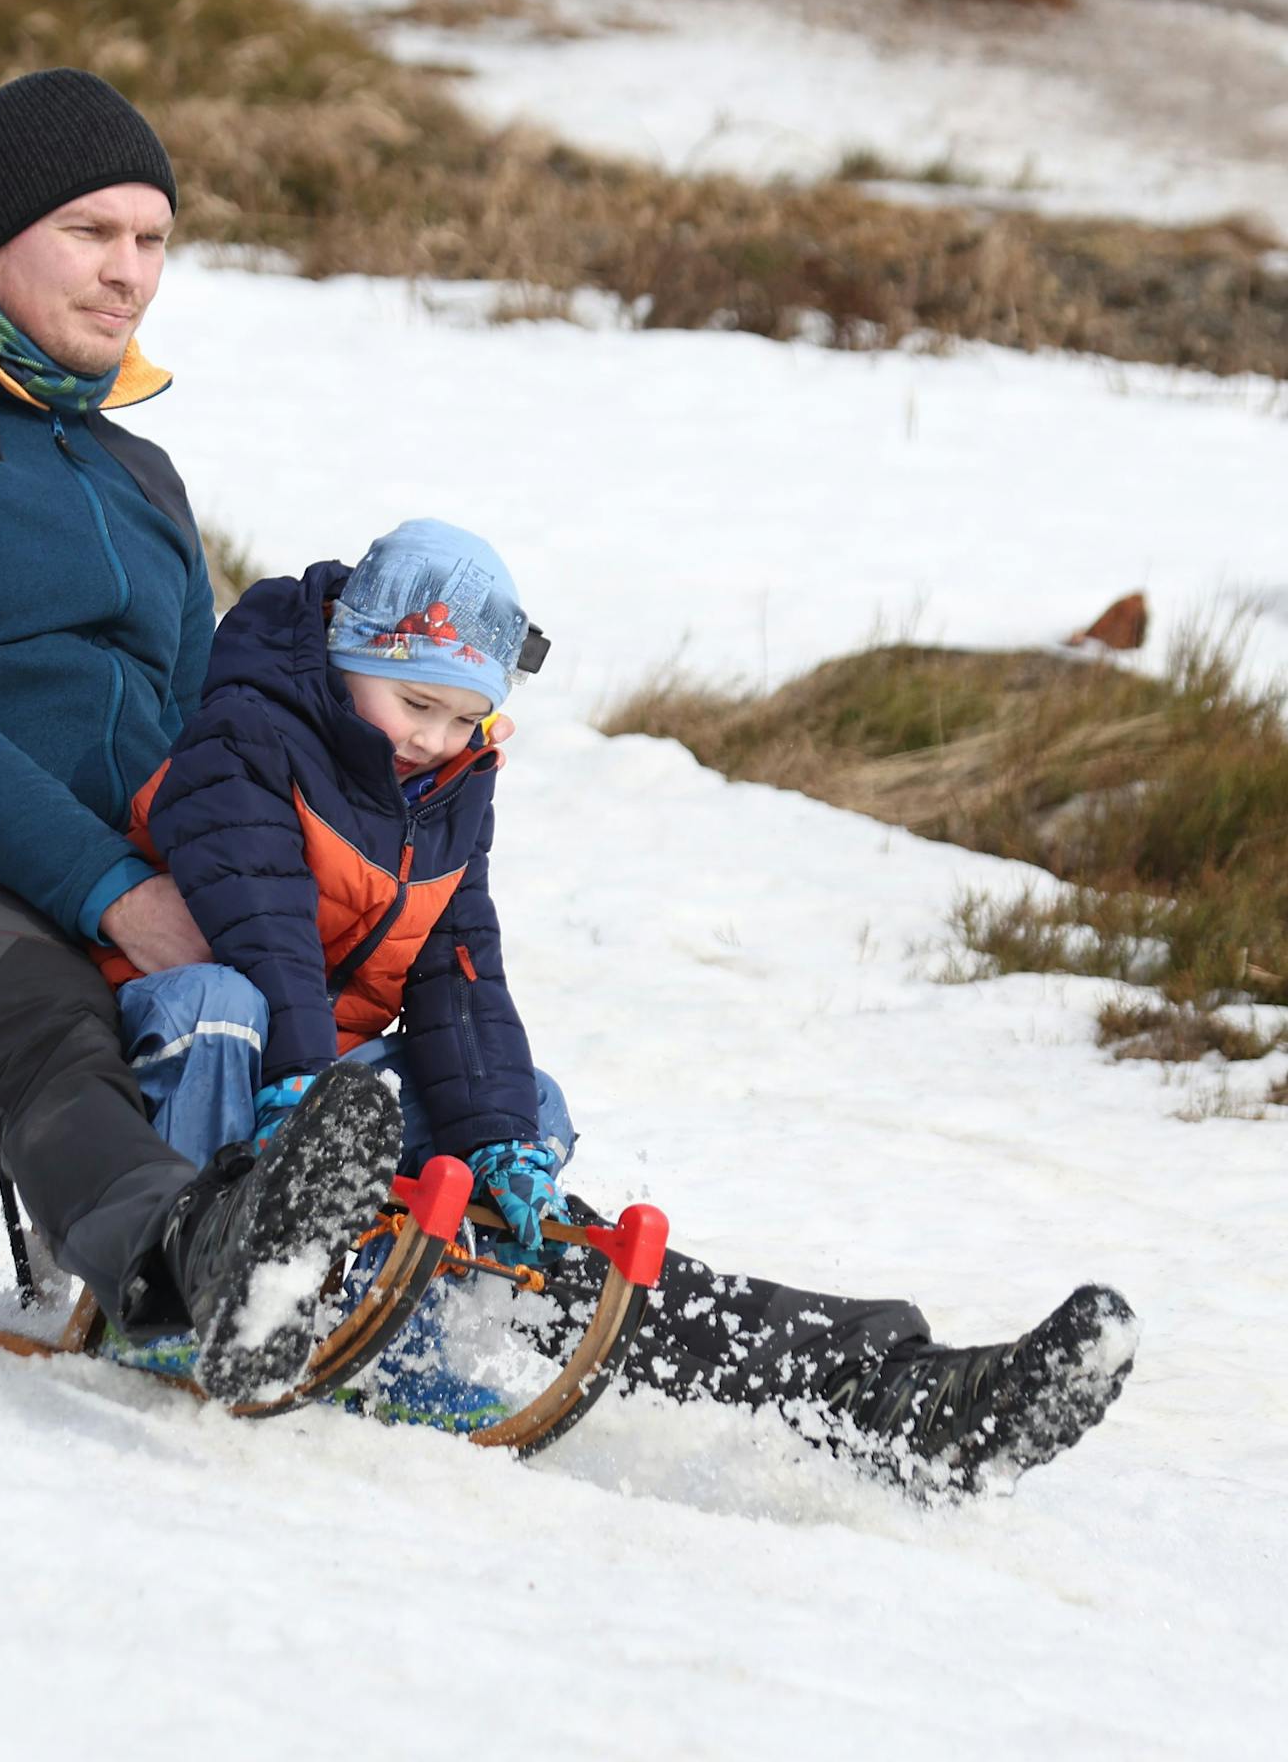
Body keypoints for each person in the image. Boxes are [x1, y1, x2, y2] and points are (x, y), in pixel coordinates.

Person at [93, 520, 1140, 1493]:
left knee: (522, 1116)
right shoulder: (248, 738)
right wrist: (303, 1088)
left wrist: (497, 1139)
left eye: (464, 717)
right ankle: (218, 1295)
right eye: (415, 706)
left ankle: (900, 1398)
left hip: (326, 1103)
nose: (433, 738)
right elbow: (265, 929)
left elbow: (461, 974)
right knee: (220, 1004)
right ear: (345, 652)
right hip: (201, 1094)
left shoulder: (443, 790)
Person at [0, 67, 405, 1406]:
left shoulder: (136, 471)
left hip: (125, 883)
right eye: (91, 234)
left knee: (381, 1018)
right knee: (54, 1027)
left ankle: (605, 1303)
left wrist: (287, 884)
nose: (130, 275)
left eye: (152, 239)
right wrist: (120, 895)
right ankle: (195, 1258)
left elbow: (201, 735)